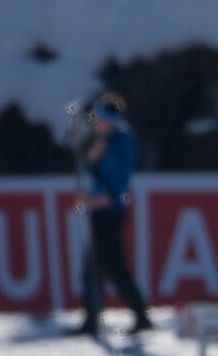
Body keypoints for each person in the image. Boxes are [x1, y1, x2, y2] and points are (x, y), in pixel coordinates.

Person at [69, 91, 153, 337]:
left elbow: (115, 183)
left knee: (98, 267)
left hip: (110, 211)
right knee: (111, 266)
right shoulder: (103, 140)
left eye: (99, 118)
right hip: (102, 209)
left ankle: (94, 320)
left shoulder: (122, 141)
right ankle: (133, 315)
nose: (95, 122)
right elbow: (90, 166)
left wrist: (93, 201)